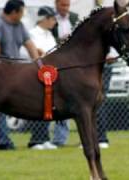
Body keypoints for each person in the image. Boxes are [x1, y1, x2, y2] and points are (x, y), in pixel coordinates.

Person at [0, 0, 39, 150]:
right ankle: (2, 141)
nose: (23, 15)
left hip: (14, 73)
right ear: (14, 12)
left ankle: (37, 139)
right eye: (22, 12)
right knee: (0, 107)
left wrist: (39, 65)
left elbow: (30, 46)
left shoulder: (19, 26)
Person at [27, 6, 58, 150]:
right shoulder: (32, 34)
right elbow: (36, 53)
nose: (54, 22)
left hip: (50, 75)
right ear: (44, 19)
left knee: (49, 105)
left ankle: (44, 138)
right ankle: (36, 140)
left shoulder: (49, 35)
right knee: (39, 105)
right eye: (52, 18)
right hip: (37, 74)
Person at [50, 0, 79, 147]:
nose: (65, 8)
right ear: (56, 4)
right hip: (52, 65)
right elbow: (46, 37)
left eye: (67, 5)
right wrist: (60, 41)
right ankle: (51, 138)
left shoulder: (75, 18)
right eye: (62, 5)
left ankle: (61, 138)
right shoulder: (50, 17)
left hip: (70, 66)